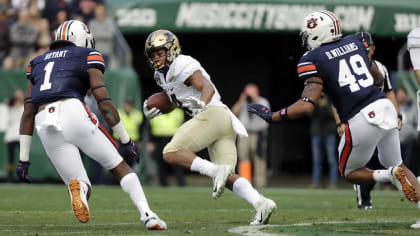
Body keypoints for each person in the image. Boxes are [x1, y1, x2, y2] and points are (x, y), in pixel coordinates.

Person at [248, 10, 420, 225]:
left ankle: (389, 174)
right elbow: (377, 76)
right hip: (384, 107)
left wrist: (274, 116)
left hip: (361, 116)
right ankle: (399, 177)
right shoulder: (357, 42)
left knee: (350, 172)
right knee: (399, 163)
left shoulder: (312, 58)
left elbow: (306, 105)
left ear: (316, 34)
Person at [15, 20, 166, 230]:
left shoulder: (36, 62)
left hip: (44, 122)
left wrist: (23, 159)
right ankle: (148, 215)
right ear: (81, 37)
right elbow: (103, 101)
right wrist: (125, 139)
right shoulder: (88, 55)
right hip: (72, 111)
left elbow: (28, 112)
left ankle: (79, 190)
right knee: (119, 166)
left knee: (80, 184)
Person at [143, 29, 276, 225]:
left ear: (172, 49)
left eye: (160, 53)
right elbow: (176, 100)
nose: (157, 58)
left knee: (171, 152)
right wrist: (156, 109)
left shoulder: (182, 63)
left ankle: (215, 172)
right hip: (222, 122)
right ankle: (261, 203)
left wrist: (203, 103)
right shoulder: (159, 75)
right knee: (228, 176)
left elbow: (207, 87)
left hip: (212, 114)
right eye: (153, 55)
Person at [333, 32, 401, 209]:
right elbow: (336, 98)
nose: (363, 49)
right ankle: (365, 195)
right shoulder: (344, 66)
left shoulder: (380, 67)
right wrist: (339, 122)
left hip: (380, 116)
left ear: (373, 48)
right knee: (356, 165)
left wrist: (397, 115)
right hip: (357, 118)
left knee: (386, 161)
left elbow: (388, 91)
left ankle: (388, 180)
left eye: (366, 46)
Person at [231, 83, 270, 188]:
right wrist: (241, 100)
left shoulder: (262, 101)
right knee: (243, 157)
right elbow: (233, 112)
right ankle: (245, 182)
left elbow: (265, 113)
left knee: (259, 158)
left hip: (258, 134)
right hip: (245, 134)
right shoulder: (243, 103)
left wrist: (254, 99)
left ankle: (260, 183)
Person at [149, 108, 186, 187]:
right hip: (159, 140)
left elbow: (184, 127)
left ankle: (181, 184)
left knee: (177, 162)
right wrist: (150, 142)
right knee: (160, 163)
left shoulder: (178, 112)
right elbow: (149, 127)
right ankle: (163, 184)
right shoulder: (156, 112)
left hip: (173, 140)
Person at [309, 94, 338, 189]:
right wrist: (317, 105)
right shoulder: (314, 104)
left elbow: (334, 116)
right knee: (316, 160)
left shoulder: (332, 103)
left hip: (329, 133)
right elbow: (309, 115)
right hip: (317, 133)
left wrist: (325, 106)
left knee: (332, 160)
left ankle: (333, 183)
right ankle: (315, 183)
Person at [4, 89, 24, 181]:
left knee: (23, 157)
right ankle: (10, 176)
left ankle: (22, 175)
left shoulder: (25, 107)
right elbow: (7, 101)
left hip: (21, 136)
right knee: (11, 158)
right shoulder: (10, 106)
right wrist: (15, 98)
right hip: (11, 136)